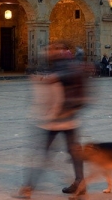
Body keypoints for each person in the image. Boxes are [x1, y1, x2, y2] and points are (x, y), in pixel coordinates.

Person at [16, 43, 88, 199]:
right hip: (61, 117)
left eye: (53, 49)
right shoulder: (55, 65)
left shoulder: (67, 64)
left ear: (62, 51)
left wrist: (51, 79)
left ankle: (28, 186)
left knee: (43, 151)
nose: (49, 51)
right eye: (49, 49)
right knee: (71, 150)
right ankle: (79, 182)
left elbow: (70, 75)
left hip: (60, 117)